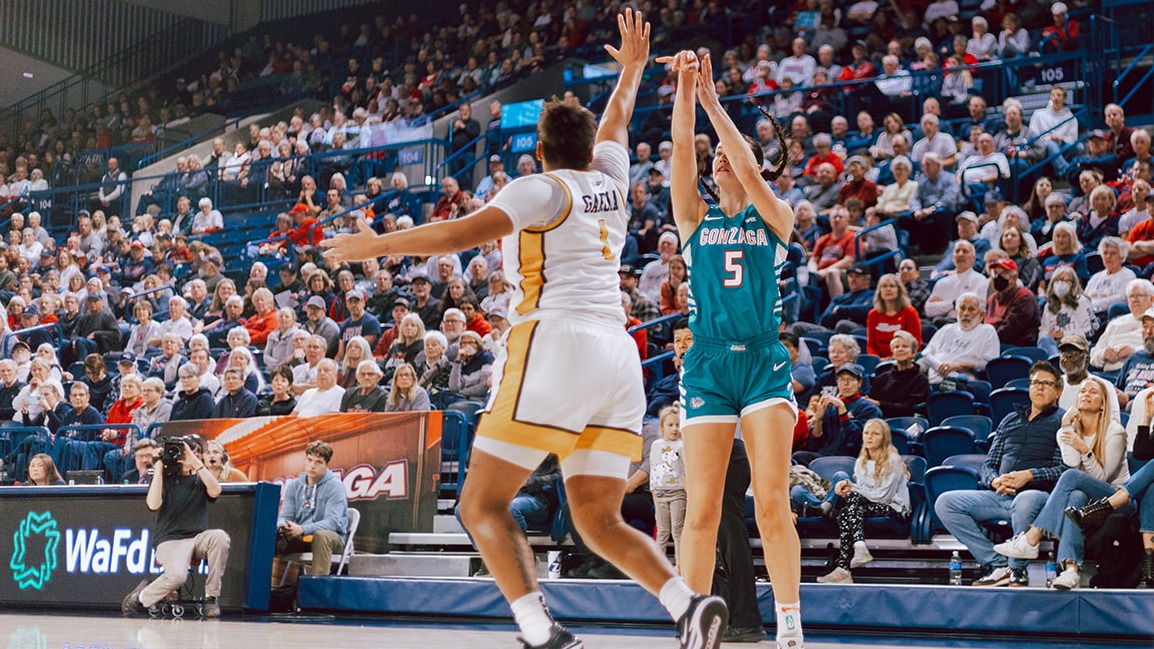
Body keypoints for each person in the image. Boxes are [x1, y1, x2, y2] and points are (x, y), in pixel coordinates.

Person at [322, 14, 728, 649]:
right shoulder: (611, 181)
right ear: (590, 150)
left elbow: (459, 235)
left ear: (540, 150)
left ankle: (538, 630)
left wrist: (372, 244)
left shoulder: (539, 189)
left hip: (554, 343)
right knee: (597, 518)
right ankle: (686, 603)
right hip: (618, 360)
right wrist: (632, 70)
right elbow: (618, 119)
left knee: (479, 506)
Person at [662, 47, 800, 648]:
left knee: (772, 503)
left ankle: (790, 624)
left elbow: (742, 158)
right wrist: (687, 89)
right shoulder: (694, 220)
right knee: (702, 510)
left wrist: (717, 102)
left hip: (763, 363)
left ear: (751, 171)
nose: (718, 159)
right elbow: (679, 150)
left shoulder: (775, 217)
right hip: (709, 364)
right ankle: (693, 626)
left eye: (731, 157)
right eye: (715, 156)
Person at [934, 361, 1066, 588]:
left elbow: (1063, 470)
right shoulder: (1010, 420)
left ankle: (1017, 570)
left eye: (1046, 383)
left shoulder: (1063, 421)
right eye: (1035, 382)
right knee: (946, 503)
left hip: (1039, 497)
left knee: (1025, 500)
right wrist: (995, 480)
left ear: (1058, 391)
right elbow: (988, 464)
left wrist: (1030, 476)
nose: (1039, 387)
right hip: (1001, 495)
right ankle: (997, 565)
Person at [992, 376, 1128, 590]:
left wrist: (1083, 447)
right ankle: (1071, 570)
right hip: (1086, 498)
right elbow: (1072, 462)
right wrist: (1066, 428)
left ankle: (1032, 537)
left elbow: (1102, 479)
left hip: (1117, 498)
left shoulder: (1115, 432)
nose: (1085, 395)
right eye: (1082, 391)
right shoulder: (1070, 429)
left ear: (1103, 403)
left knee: (1071, 477)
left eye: (1092, 392)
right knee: (1074, 496)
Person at [122, 437, 229, 619]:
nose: (185, 455)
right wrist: (158, 466)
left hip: (197, 538)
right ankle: (140, 597)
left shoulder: (200, 477)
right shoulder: (165, 476)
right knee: (178, 577)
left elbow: (215, 490)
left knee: (220, 537)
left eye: (193, 451)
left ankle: (211, 599)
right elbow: (153, 504)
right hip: (170, 539)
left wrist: (194, 462)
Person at [815, 419, 911, 584]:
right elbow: (864, 494)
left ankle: (847, 565)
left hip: (894, 508)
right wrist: (850, 488)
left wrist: (852, 488)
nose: (869, 437)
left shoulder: (893, 460)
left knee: (851, 501)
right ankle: (851, 561)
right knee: (847, 510)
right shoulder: (861, 462)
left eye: (875, 433)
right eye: (866, 433)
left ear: (884, 438)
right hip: (869, 506)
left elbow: (883, 497)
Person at [276, 440, 349, 578]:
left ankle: (317, 593)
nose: (312, 465)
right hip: (302, 537)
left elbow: (333, 522)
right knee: (272, 534)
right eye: (309, 460)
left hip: (333, 539)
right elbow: (285, 516)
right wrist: (283, 526)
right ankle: (260, 589)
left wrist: (302, 529)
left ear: (327, 465)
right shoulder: (294, 486)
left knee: (321, 536)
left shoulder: (335, 486)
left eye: (318, 462)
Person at [919, 292, 1000, 385]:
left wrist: (961, 365)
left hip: (962, 383)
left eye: (971, 309)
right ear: (956, 312)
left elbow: (990, 363)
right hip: (931, 383)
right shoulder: (946, 329)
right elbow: (926, 356)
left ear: (982, 315)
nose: (965, 313)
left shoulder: (987, 331)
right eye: (962, 308)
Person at [1091, 279, 1154, 376]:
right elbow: (1094, 355)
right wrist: (1103, 354)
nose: (1134, 300)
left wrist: (1135, 351)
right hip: (1108, 373)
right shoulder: (1115, 323)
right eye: (1131, 297)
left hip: (1138, 373)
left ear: (1152, 299)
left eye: (1139, 295)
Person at [651, 405, 687, 566]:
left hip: (678, 492)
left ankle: (680, 564)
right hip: (660, 493)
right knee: (662, 531)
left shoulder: (682, 445)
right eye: (670, 425)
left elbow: (686, 469)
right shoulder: (656, 445)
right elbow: (654, 468)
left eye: (677, 425)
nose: (674, 429)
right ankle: (660, 565)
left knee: (677, 530)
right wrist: (653, 492)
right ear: (662, 427)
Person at [868, 331, 931, 418]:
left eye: (905, 346)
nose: (900, 349)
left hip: (906, 422)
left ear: (914, 352)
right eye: (896, 347)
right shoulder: (882, 378)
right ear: (893, 353)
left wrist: (880, 404)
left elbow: (909, 408)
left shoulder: (920, 380)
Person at [1037, 266, 1096, 357]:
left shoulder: (1081, 301)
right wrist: (1048, 335)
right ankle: (1056, 360)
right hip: (1055, 345)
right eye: (1058, 279)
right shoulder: (1049, 305)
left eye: (1065, 280)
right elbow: (1044, 329)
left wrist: (1064, 335)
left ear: (1073, 284)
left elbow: (1091, 330)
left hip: (1076, 344)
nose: (1060, 283)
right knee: (1044, 340)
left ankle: (1057, 362)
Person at [865, 273, 922, 359]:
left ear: (899, 290)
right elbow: (871, 346)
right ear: (879, 291)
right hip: (880, 361)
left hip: (904, 358)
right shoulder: (873, 314)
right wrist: (877, 360)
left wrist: (894, 358)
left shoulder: (910, 312)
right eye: (884, 286)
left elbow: (915, 342)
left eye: (892, 286)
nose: (888, 289)